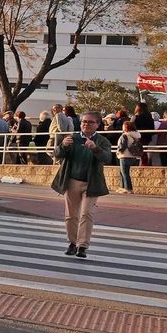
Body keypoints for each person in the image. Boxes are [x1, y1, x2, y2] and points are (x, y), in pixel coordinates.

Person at [51, 111, 115, 259]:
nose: (86, 124)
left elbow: (107, 157)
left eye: (90, 122)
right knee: (71, 215)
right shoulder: (73, 138)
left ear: (98, 125)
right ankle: (72, 243)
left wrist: (95, 148)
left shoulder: (102, 141)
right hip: (72, 180)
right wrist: (63, 146)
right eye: (83, 122)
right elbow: (57, 154)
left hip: (92, 183)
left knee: (87, 213)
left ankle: (82, 246)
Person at [115, 119, 141, 193]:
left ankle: (127, 188)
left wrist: (118, 151)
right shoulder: (136, 135)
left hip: (124, 155)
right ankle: (122, 186)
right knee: (123, 172)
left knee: (124, 172)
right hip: (133, 155)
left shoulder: (125, 135)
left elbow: (123, 146)